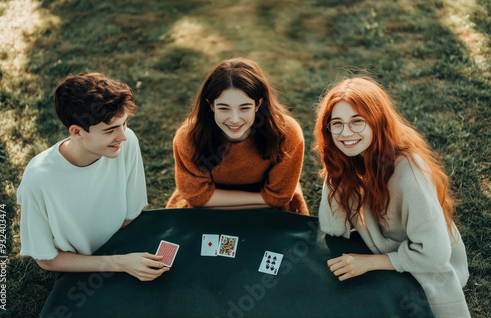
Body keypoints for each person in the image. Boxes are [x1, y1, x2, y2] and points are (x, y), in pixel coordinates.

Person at [314, 77, 470, 317]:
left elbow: (435, 254)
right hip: (382, 247)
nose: (346, 133)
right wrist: (336, 172)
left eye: (357, 121)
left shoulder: (409, 173)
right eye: (337, 124)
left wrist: (369, 263)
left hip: (424, 262)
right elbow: (332, 226)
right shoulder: (348, 159)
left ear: (377, 123)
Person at [18, 72, 169, 281]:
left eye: (125, 123)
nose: (123, 136)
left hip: (123, 248)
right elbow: (47, 259)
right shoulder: (38, 178)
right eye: (110, 130)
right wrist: (119, 263)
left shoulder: (127, 143)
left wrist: (124, 258)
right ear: (77, 132)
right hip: (80, 270)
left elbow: (131, 216)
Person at [165, 58, 309, 214]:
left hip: (269, 211)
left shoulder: (287, 134)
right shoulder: (188, 137)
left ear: (258, 104)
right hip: (208, 210)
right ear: (211, 105)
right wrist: (265, 199)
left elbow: (280, 197)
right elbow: (196, 197)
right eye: (224, 108)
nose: (234, 119)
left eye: (244, 108)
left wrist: (212, 198)